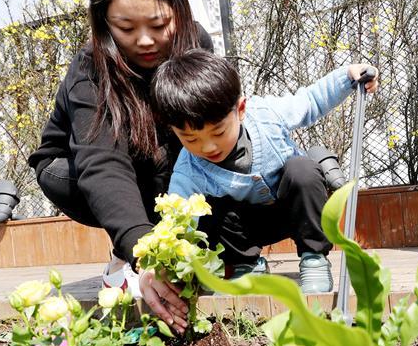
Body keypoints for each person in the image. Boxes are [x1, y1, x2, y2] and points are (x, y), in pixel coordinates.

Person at [28, 0, 212, 331]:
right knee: (134, 167)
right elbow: (102, 164)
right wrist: (146, 255)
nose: (145, 41)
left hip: (163, 164)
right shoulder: (90, 68)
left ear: (177, 11)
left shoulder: (195, 46)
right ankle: (126, 250)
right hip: (78, 171)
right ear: (104, 23)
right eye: (126, 29)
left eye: (159, 25)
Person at [150, 49, 378, 298]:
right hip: (243, 231)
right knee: (201, 209)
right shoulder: (188, 169)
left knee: (302, 169)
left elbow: (311, 101)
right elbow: (176, 219)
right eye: (190, 138)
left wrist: (347, 77)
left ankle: (313, 259)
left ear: (241, 109)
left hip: (294, 212)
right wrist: (163, 259)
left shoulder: (267, 116)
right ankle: (245, 265)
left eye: (218, 132)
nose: (208, 147)